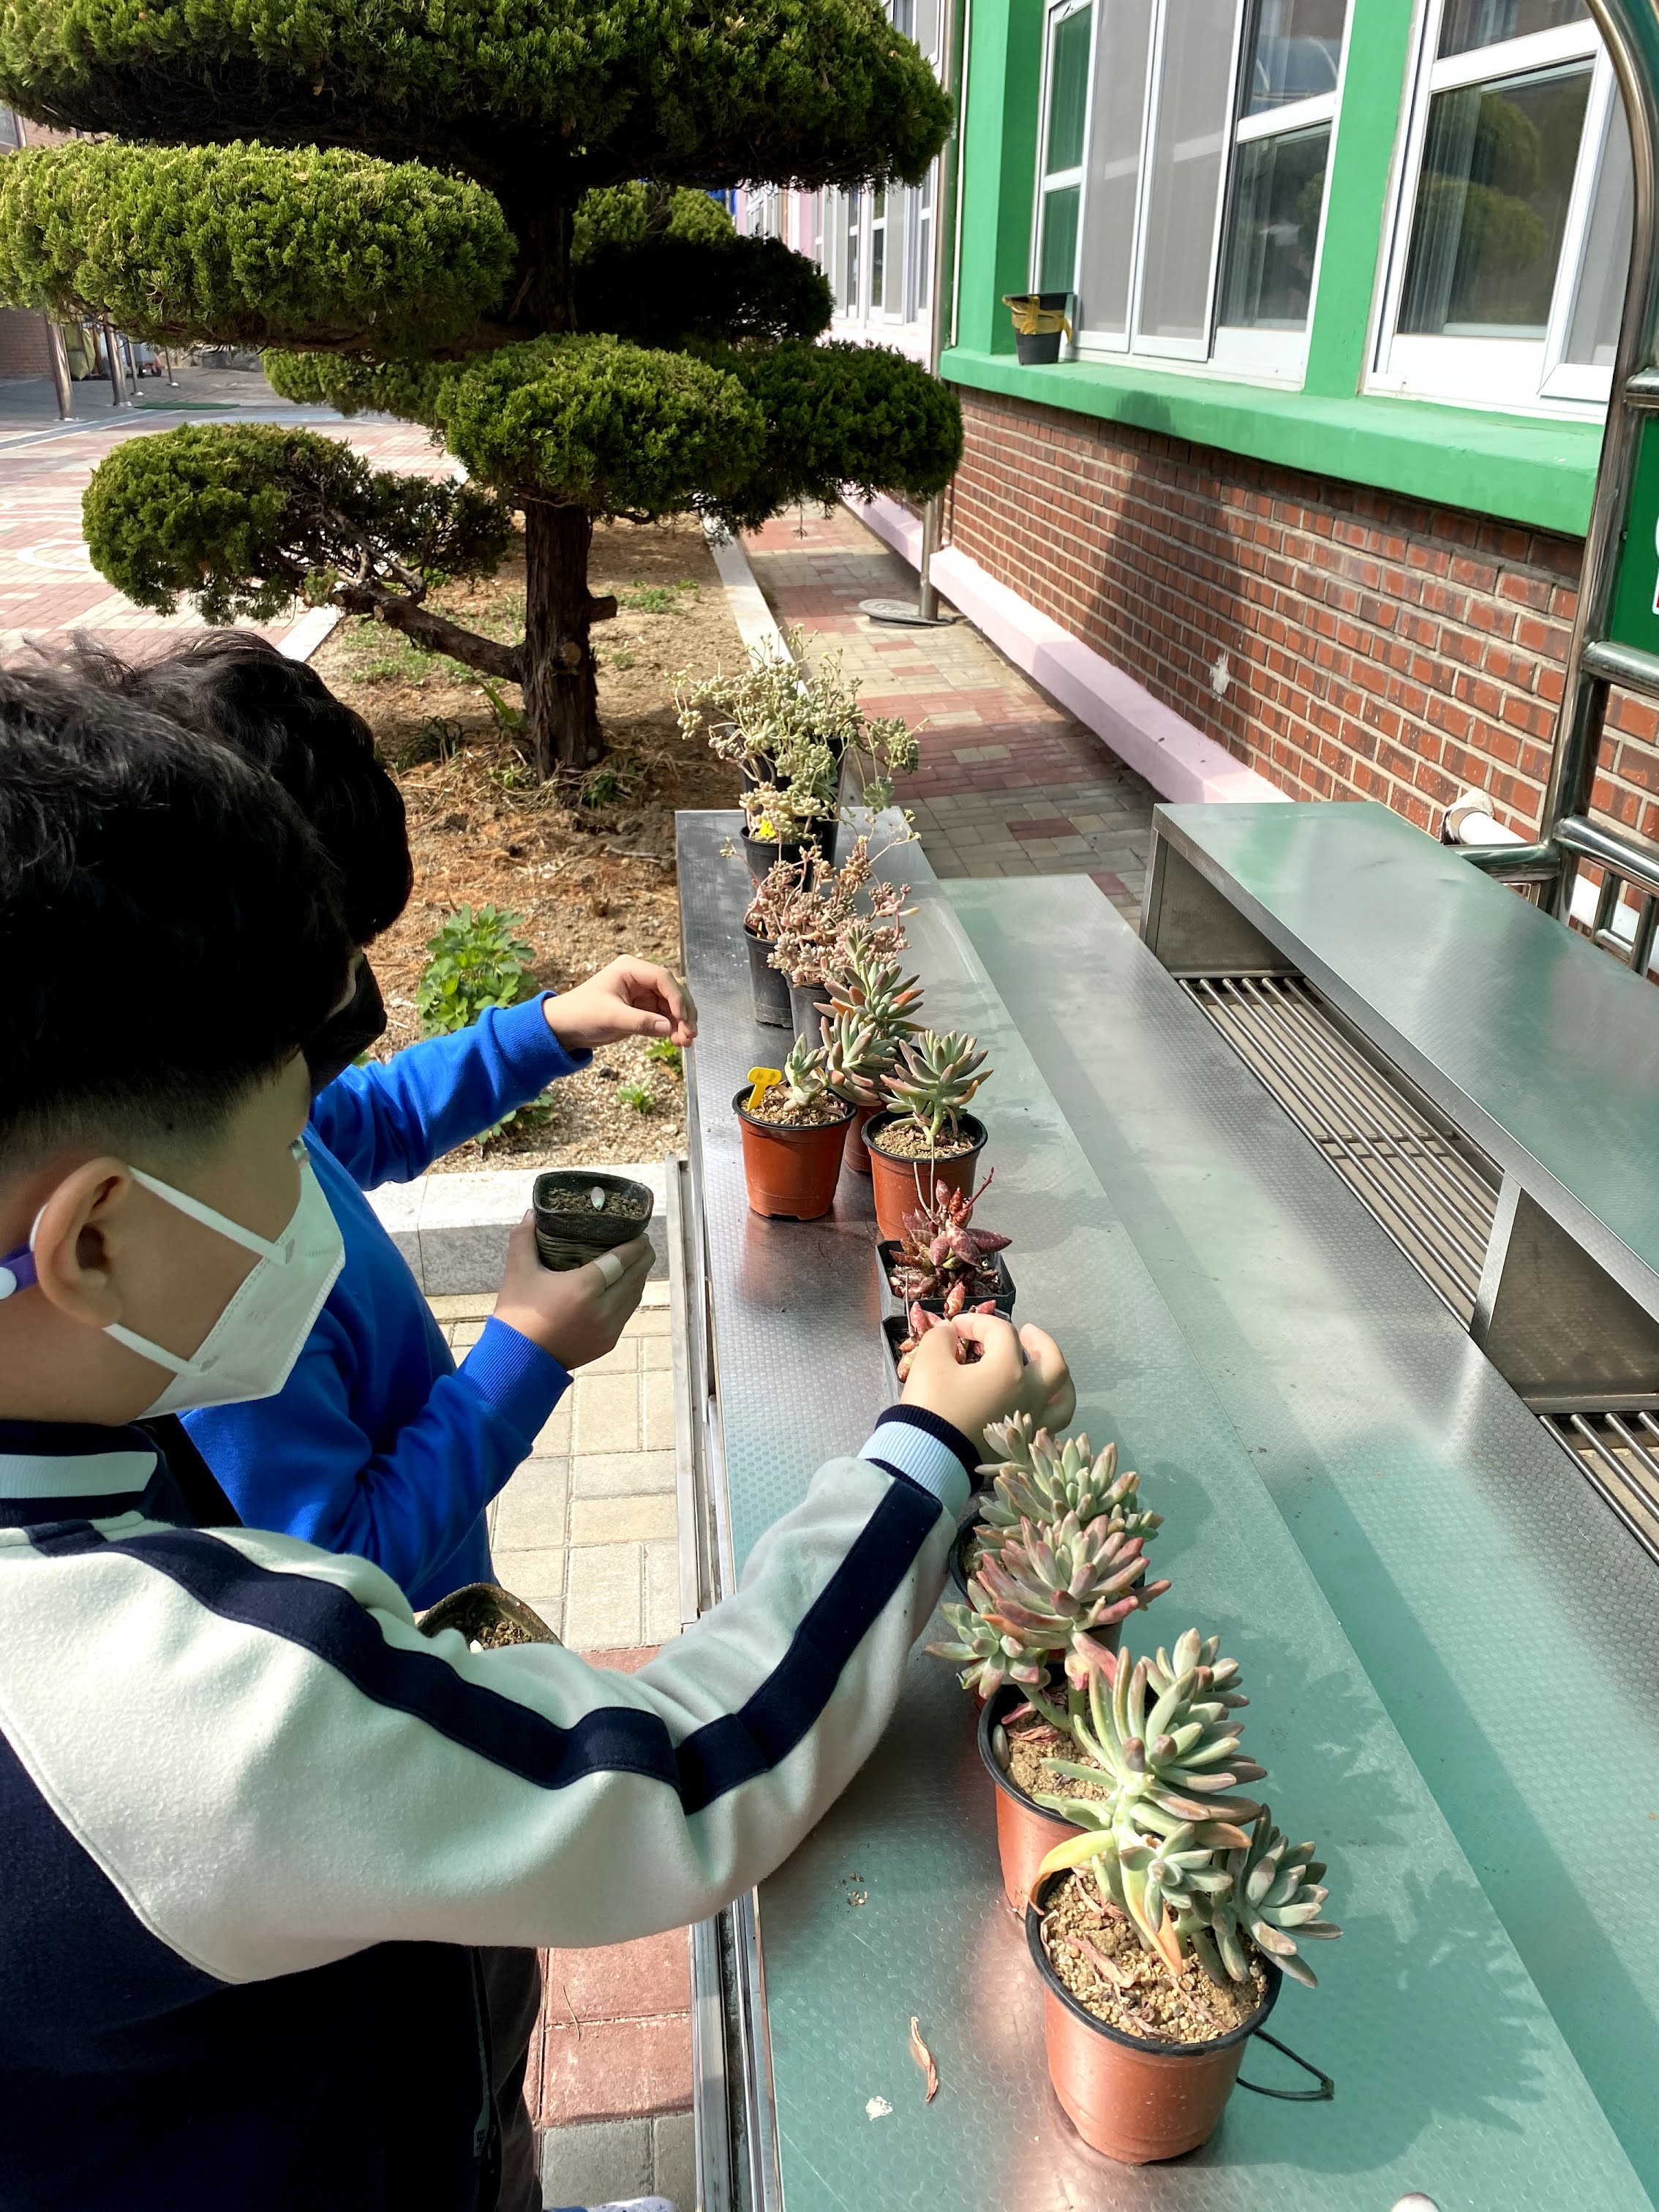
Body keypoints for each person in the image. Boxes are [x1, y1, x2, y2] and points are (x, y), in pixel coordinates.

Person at [0, 659, 1075, 2209]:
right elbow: (675, 1780)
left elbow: (359, 1127)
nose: (311, 1191)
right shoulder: (184, 1714)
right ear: (94, 1241)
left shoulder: (81, 1417)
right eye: (279, 1158)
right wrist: (927, 1452)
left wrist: (537, 1037)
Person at [89, 629, 691, 2208]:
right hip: (382, 1699)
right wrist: (525, 1356)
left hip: (421, 1655)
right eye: (331, 977)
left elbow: (354, 1125)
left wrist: (542, 1030)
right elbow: (335, 1553)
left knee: (491, 2020)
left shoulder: (247, 1132)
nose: (355, 1012)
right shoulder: (213, 1303)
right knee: (459, 2047)